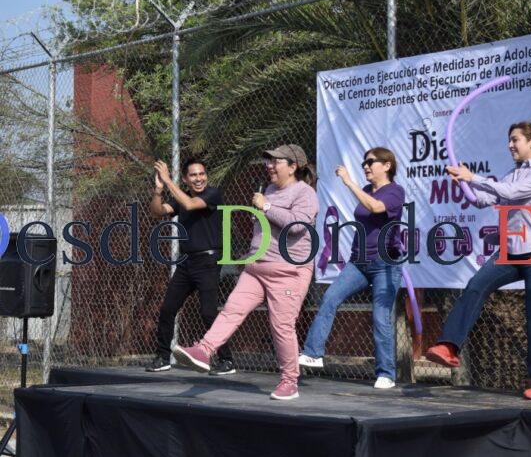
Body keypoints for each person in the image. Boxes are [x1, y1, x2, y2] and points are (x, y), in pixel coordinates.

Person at [425, 121, 531, 401]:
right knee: (476, 285)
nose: (510, 145)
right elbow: (483, 199)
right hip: (511, 251)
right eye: (509, 140)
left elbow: (510, 193)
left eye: (515, 139)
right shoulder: (514, 173)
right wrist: (464, 182)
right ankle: (449, 347)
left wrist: (472, 176)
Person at [173, 144, 318, 400]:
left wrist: (266, 207)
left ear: (292, 167)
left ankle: (289, 381)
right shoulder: (269, 189)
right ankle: (204, 350)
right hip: (256, 268)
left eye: (276, 162)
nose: (269, 166)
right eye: (268, 161)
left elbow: (297, 226)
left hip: (288, 272)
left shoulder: (304, 193)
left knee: (281, 327)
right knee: (231, 310)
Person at [299, 147, 405, 389]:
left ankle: (386, 374)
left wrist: (349, 182)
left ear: (387, 165)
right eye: (363, 163)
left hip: (385, 264)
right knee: (330, 297)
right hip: (358, 262)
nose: (365, 166)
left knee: (381, 318)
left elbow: (376, 207)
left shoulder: (395, 191)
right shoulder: (366, 190)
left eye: (370, 162)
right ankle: (313, 353)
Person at [146, 158, 235, 376]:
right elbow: (157, 212)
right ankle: (162, 357)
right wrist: (158, 191)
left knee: (208, 312)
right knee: (168, 309)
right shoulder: (181, 197)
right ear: (186, 179)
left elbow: (190, 205)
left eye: (202, 174)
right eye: (193, 175)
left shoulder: (212, 194)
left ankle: (227, 360)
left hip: (208, 261)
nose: (199, 178)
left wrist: (168, 180)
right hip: (187, 262)